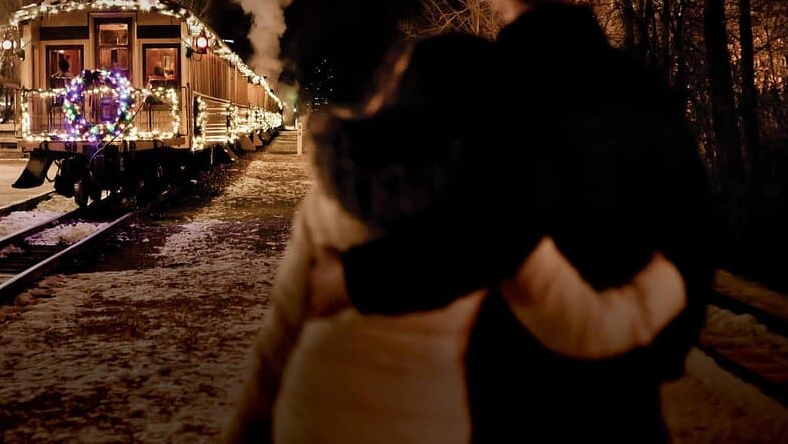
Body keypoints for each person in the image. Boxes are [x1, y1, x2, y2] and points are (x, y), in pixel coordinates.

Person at [308, 0, 715, 442]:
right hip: (630, 399)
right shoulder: (644, 90)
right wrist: (655, 352)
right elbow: (695, 233)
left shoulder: (488, 89)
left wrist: (354, 279)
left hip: (520, 393)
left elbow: (481, 231)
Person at [224, 33, 691, 444]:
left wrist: (246, 431)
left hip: (311, 417)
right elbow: (584, 327)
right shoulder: (490, 214)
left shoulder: (336, 189)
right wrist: (668, 277)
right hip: (423, 426)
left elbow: (281, 332)